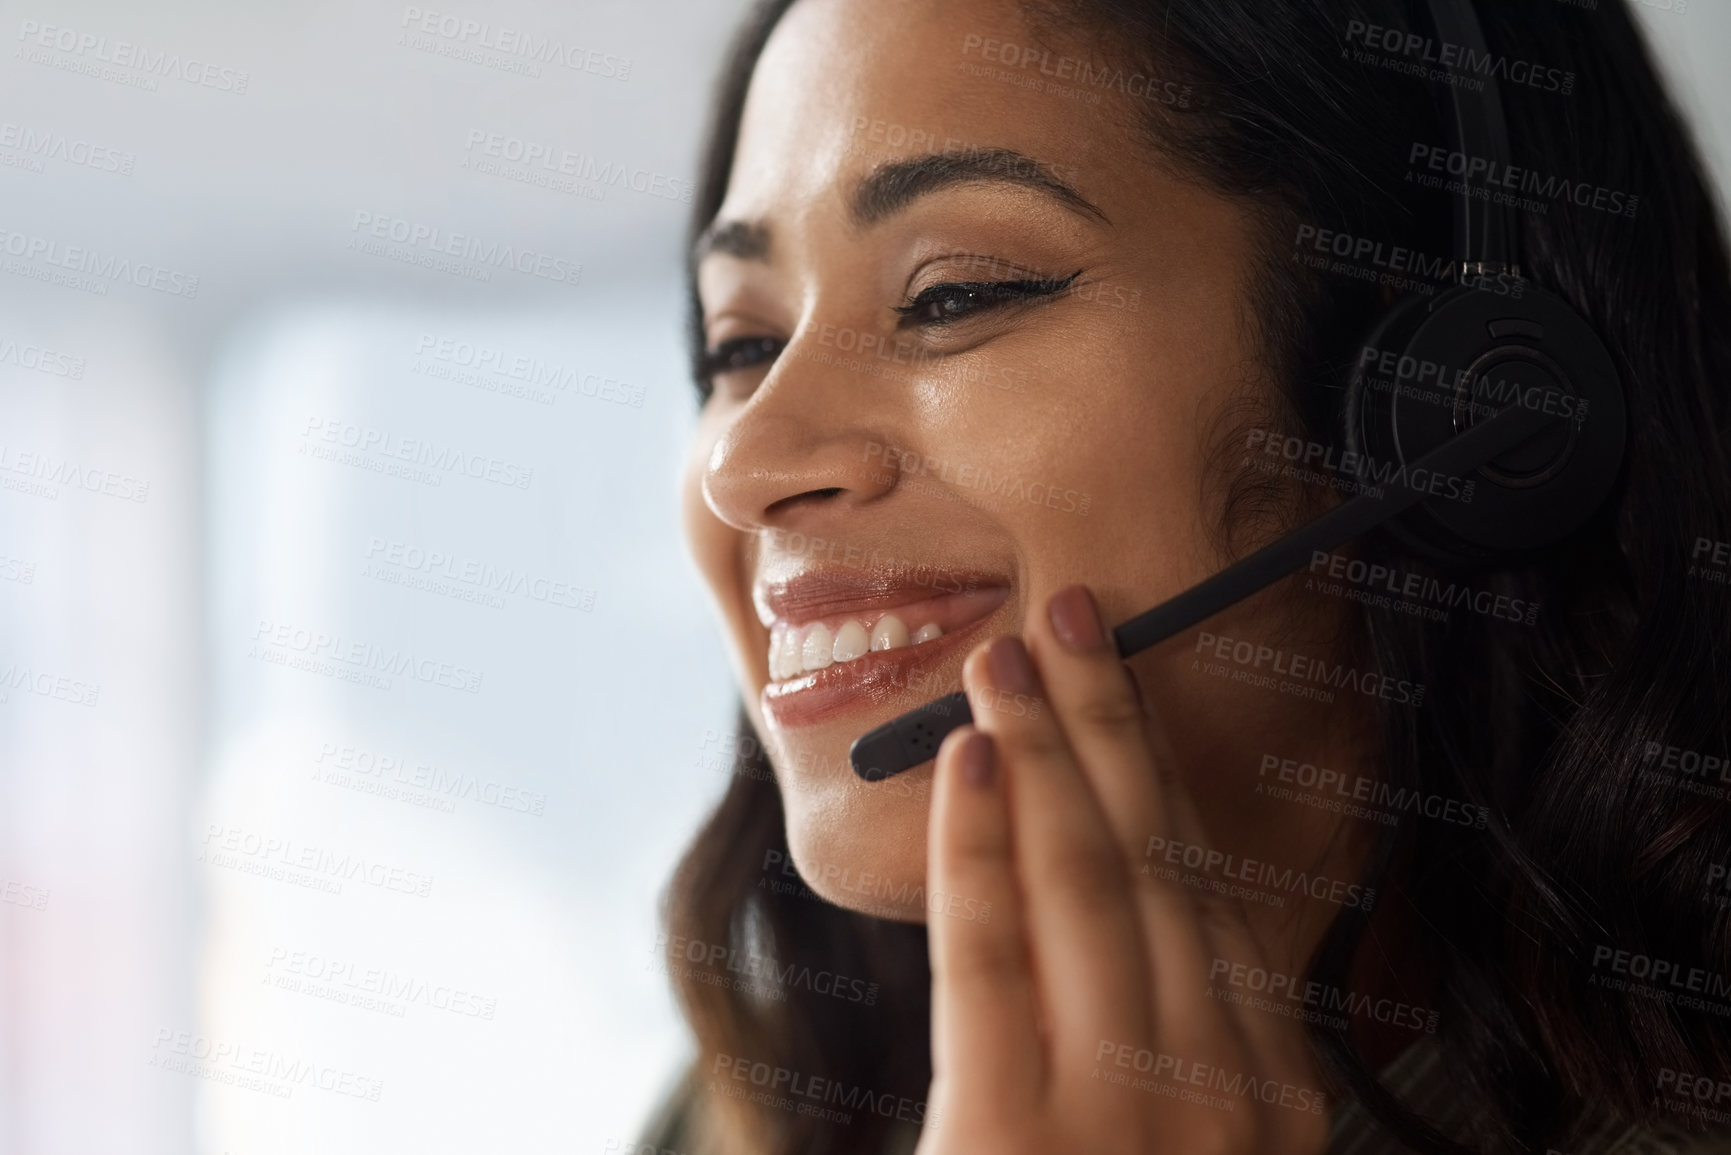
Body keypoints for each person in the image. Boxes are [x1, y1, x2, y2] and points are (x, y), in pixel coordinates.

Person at [647, 0, 1731, 1151]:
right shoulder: (752, 1109)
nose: (746, 466)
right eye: (742, 347)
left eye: (955, 294)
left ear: (1450, 406)